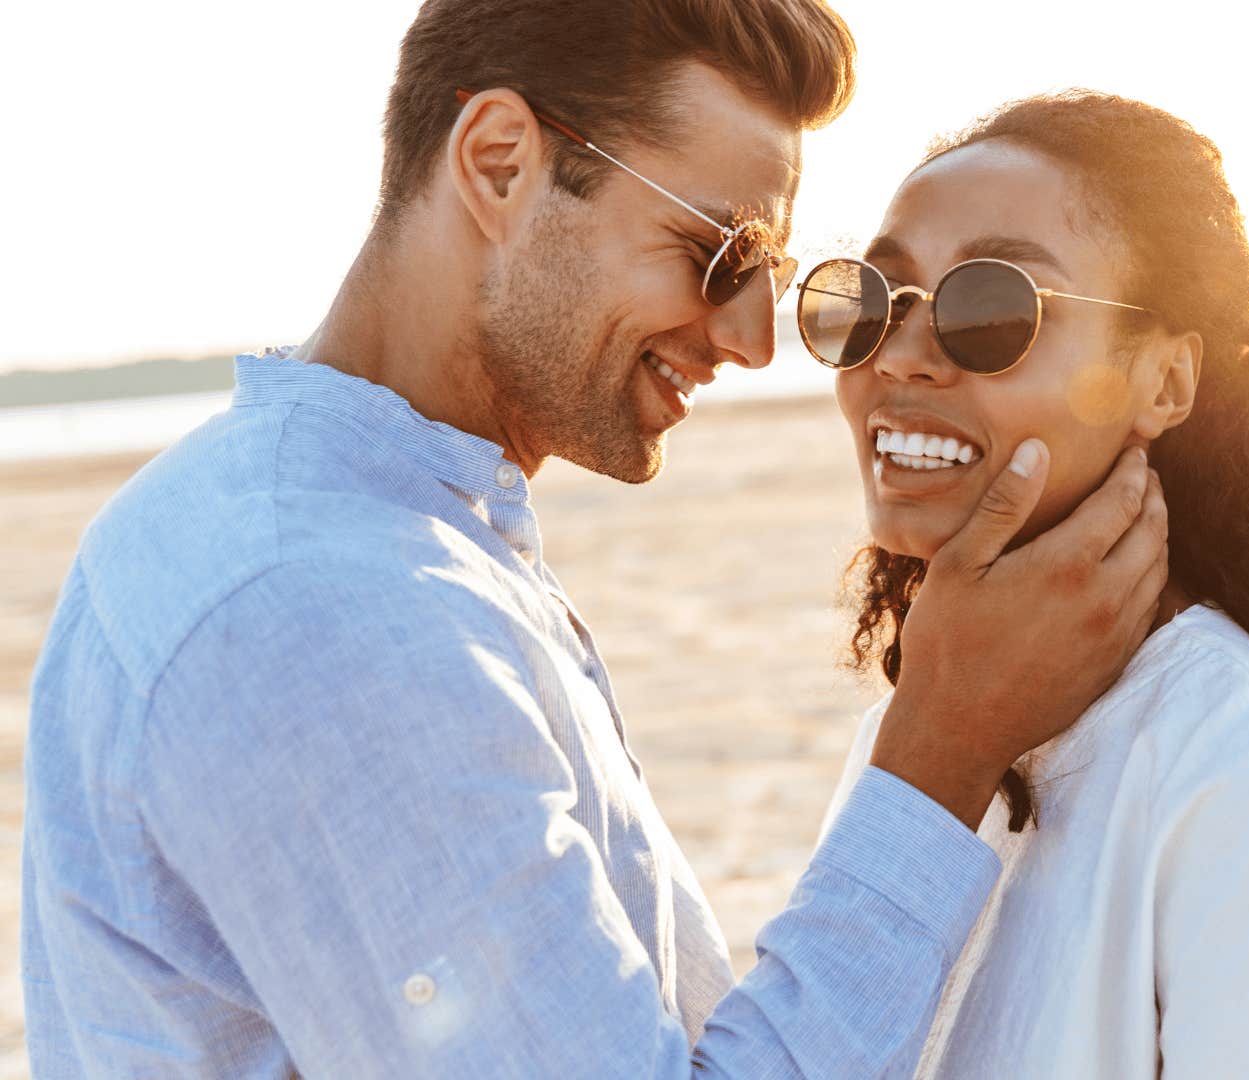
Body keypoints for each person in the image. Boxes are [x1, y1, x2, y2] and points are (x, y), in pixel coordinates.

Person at [20, 5, 1170, 1077]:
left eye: (764, 272)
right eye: (717, 255)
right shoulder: (321, 608)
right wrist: (941, 749)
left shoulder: (378, 532)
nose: (752, 339)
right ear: (500, 165)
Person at [806, 91, 1249, 1078]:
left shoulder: (1240, 764)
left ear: (1164, 385)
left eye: (991, 307)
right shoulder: (923, 732)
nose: (899, 354)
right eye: (874, 301)